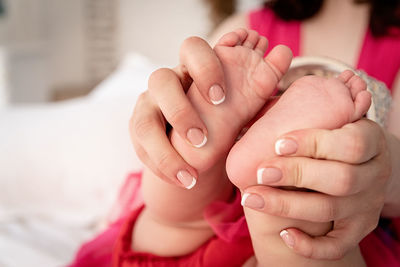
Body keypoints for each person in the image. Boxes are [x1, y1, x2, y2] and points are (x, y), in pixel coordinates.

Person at [69, 0, 400, 266]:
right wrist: (176, 111)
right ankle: (275, 166)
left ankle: (198, 160)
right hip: (257, 212)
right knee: (300, 240)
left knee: (174, 225)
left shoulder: (247, 35)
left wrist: (382, 164)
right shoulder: (247, 28)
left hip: (208, 236)